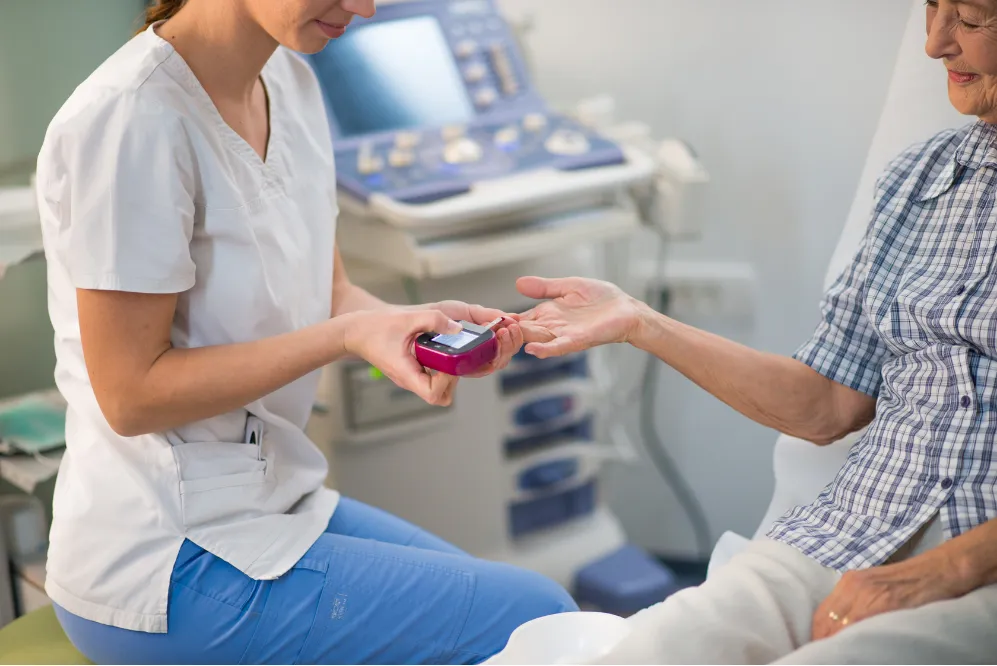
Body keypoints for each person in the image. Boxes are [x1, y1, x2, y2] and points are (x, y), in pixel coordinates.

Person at [35, 0, 576, 663]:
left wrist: (416, 328)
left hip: (276, 502)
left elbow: (333, 293)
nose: (364, 7)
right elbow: (131, 396)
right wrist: (347, 338)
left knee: (532, 618)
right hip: (163, 556)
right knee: (538, 619)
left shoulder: (289, 79)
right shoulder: (129, 120)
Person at [515, 1, 997, 662]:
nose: (935, 45)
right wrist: (640, 323)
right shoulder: (919, 178)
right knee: (651, 648)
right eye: (931, 9)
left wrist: (942, 570)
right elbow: (827, 403)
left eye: (971, 19)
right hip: (854, 530)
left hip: (984, 563)